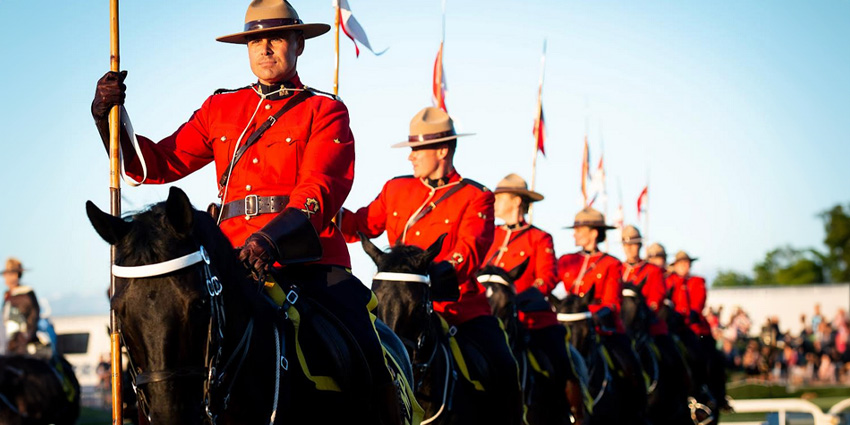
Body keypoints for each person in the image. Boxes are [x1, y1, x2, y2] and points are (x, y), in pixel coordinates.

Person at [91, 1, 400, 423]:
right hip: (231, 261)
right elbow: (158, 163)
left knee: (360, 339)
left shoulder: (324, 110)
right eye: (255, 40)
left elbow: (320, 190)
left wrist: (270, 238)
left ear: (298, 44)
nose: (265, 48)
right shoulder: (221, 109)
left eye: (275, 38)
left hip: (308, 261)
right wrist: (109, 120)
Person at [339, 106, 523, 424]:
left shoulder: (475, 196)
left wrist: (436, 273)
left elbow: (470, 251)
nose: (410, 157)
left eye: (418, 150)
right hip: (395, 306)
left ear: (442, 150)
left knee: (504, 365)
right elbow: (360, 224)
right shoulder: (396, 189)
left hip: (456, 307)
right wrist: (328, 209)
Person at [483, 173, 586, 420]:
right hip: (488, 315)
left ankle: (575, 414)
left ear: (517, 201)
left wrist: (520, 298)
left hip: (531, 317)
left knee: (562, 362)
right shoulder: (490, 234)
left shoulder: (539, 238)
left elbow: (547, 279)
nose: (494, 201)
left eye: (500, 197)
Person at [557, 207, 648, 422]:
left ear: (594, 233)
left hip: (604, 329)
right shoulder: (566, 260)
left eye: (580, 229)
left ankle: (638, 413)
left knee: (630, 365)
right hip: (569, 326)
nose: (574, 234)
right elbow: (552, 288)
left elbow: (611, 303)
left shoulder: (611, 263)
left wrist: (588, 314)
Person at [2, 257, 40, 355]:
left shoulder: (26, 295)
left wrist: (21, 339)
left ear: (15, 275)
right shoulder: (8, 295)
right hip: (7, 342)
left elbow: (31, 320)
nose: (5, 278)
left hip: (20, 344)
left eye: (8, 274)